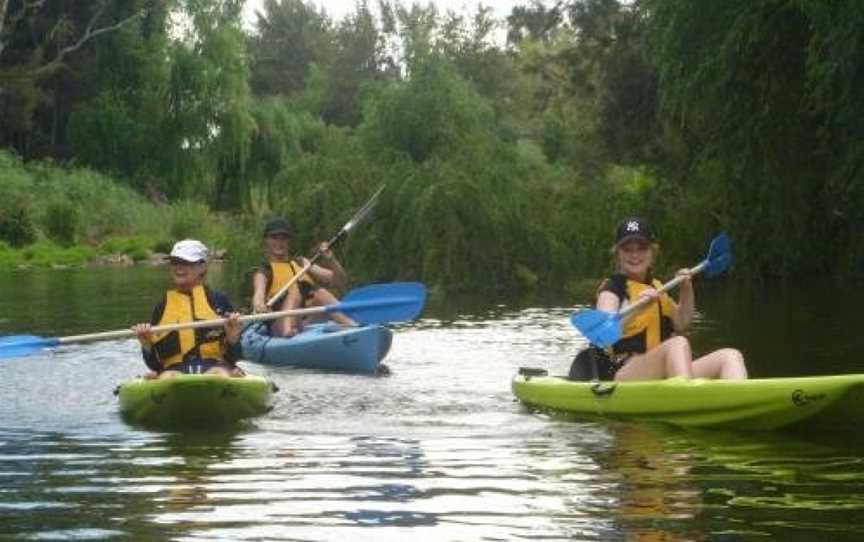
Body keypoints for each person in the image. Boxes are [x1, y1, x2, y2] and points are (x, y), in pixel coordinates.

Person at [582, 217, 748, 382]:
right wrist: (638, 308)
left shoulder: (657, 287)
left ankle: (741, 401)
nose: (635, 255)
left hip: (661, 374)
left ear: (652, 252)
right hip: (623, 374)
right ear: (618, 254)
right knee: (677, 344)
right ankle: (687, 399)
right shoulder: (612, 289)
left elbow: (682, 322)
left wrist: (686, 289)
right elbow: (602, 334)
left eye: (642, 248)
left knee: (730, 356)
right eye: (627, 249)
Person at [132, 239, 244, 379]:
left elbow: (237, 356)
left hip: (216, 367)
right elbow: (154, 364)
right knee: (168, 377)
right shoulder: (162, 306)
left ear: (202, 267)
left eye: (186, 263)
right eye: (175, 262)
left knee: (219, 375)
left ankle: (229, 376)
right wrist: (147, 346)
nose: (179, 268)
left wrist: (233, 339)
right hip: (173, 371)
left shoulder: (219, 302)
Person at [250, 218, 356, 336]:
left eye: (283, 238)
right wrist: (259, 305)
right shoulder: (264, 271)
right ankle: (287, 332)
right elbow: (258, 297)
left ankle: (351, 326)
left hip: (304, 322)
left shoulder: (302, 262)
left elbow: (339, 280)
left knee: (320, 292)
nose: (279, 242)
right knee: (294, 294)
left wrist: (331, 259)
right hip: (279, 324)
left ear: (289, 241)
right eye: (274, 237)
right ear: (266, 240)